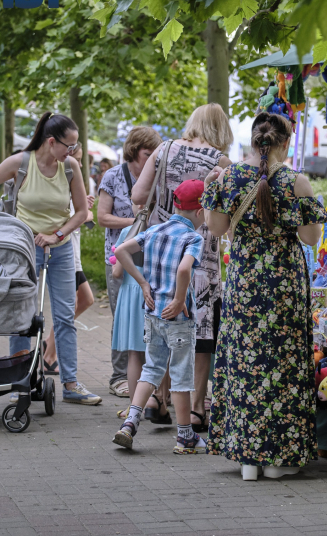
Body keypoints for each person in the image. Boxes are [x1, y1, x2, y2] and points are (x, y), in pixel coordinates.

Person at [201, 112, 327, 481]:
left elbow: (216, 227)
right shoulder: (295, 181)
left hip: (244, 283)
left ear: (255, 140)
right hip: (283, 284)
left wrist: (214, 190)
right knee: (283, 365)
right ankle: (278, 460)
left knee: (245, 364)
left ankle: (247, 460)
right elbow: (310, 239)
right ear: (285, 143)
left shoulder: (232, 177)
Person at [0, 111, 101, 405]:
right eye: (68, 146)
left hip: (60, 248)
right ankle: (19, 378)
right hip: (24, 248)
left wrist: (57, 235)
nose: (73, 152)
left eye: (75, 147)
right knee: (22, 314)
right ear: (50, 141)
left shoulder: (69, 167)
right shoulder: (21, 163)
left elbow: (82, 212)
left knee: (64, 316)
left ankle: (71, 383)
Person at [131, 104, 233, 432]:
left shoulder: (163, 149)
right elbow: (227, 221)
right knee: (201, 335)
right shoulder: (221, 162)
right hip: (201, 257)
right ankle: (196, 411)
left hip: (161, 254)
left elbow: (138, 195)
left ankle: (157, 399)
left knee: (163, 326)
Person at [111, 179, 207, 454]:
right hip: (178, 319)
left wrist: (143, 283)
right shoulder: (193, 237)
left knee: (151, 369)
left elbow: (120, 252)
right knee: (180, 376)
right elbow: (184, 270)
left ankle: (130, 422)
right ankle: (185, 436)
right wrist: (179, 299)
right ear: (200, 212)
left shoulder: (154, 230)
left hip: (152, 313)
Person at [98, 126, 162, 400]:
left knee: (149, 321)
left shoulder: (157, 176)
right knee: (122, 317)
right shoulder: (113, 176)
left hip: (151, 259)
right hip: (118, 257)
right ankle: (119, 376)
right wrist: (137, 224)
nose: (150, 160)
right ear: (134, 151)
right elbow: (102, 217)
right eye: (147, 154)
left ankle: (148, 378)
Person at [42, 145, 95, 376]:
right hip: (64, 253)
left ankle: (48, 348)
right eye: (77, 159)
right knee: (80, 300)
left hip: (73, 253)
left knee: (83, 300)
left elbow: (80, 213)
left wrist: (85, 210)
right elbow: (68, 219)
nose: (80, 165)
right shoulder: (57, 179)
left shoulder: (76, 180)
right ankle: (49, 354)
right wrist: (86, 213)